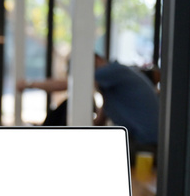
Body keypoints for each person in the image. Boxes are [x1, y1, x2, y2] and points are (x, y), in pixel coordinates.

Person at [17, 54, 160, 149]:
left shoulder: (112, 71)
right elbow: (99, 122)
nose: (86, 75)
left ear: (97, 59)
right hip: (141, 141)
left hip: (146, 144)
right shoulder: (111, 89)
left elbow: (68, 85)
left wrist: (29, 84)